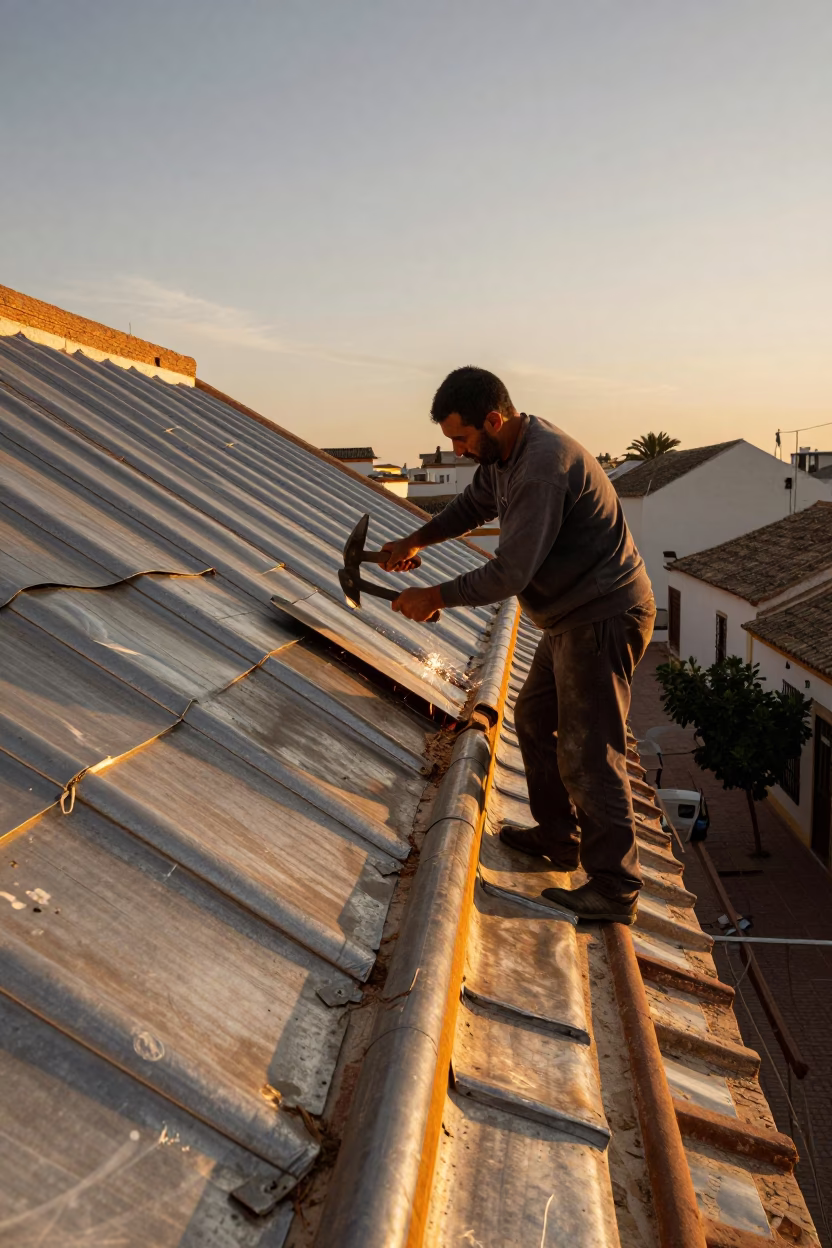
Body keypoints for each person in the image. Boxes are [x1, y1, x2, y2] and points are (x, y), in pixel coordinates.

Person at [381, 366, 655, 924]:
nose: (457, 450)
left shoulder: (539, 469)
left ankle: (615, 887)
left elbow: (509, 573)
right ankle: (560, 837)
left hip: (601, 616)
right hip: (570, 617)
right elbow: (470, 507)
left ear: (493, 419)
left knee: (588, 751)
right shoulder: (505, 454)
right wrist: (416, 537)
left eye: (461, 438)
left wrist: (435, 595)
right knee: (533, 718)